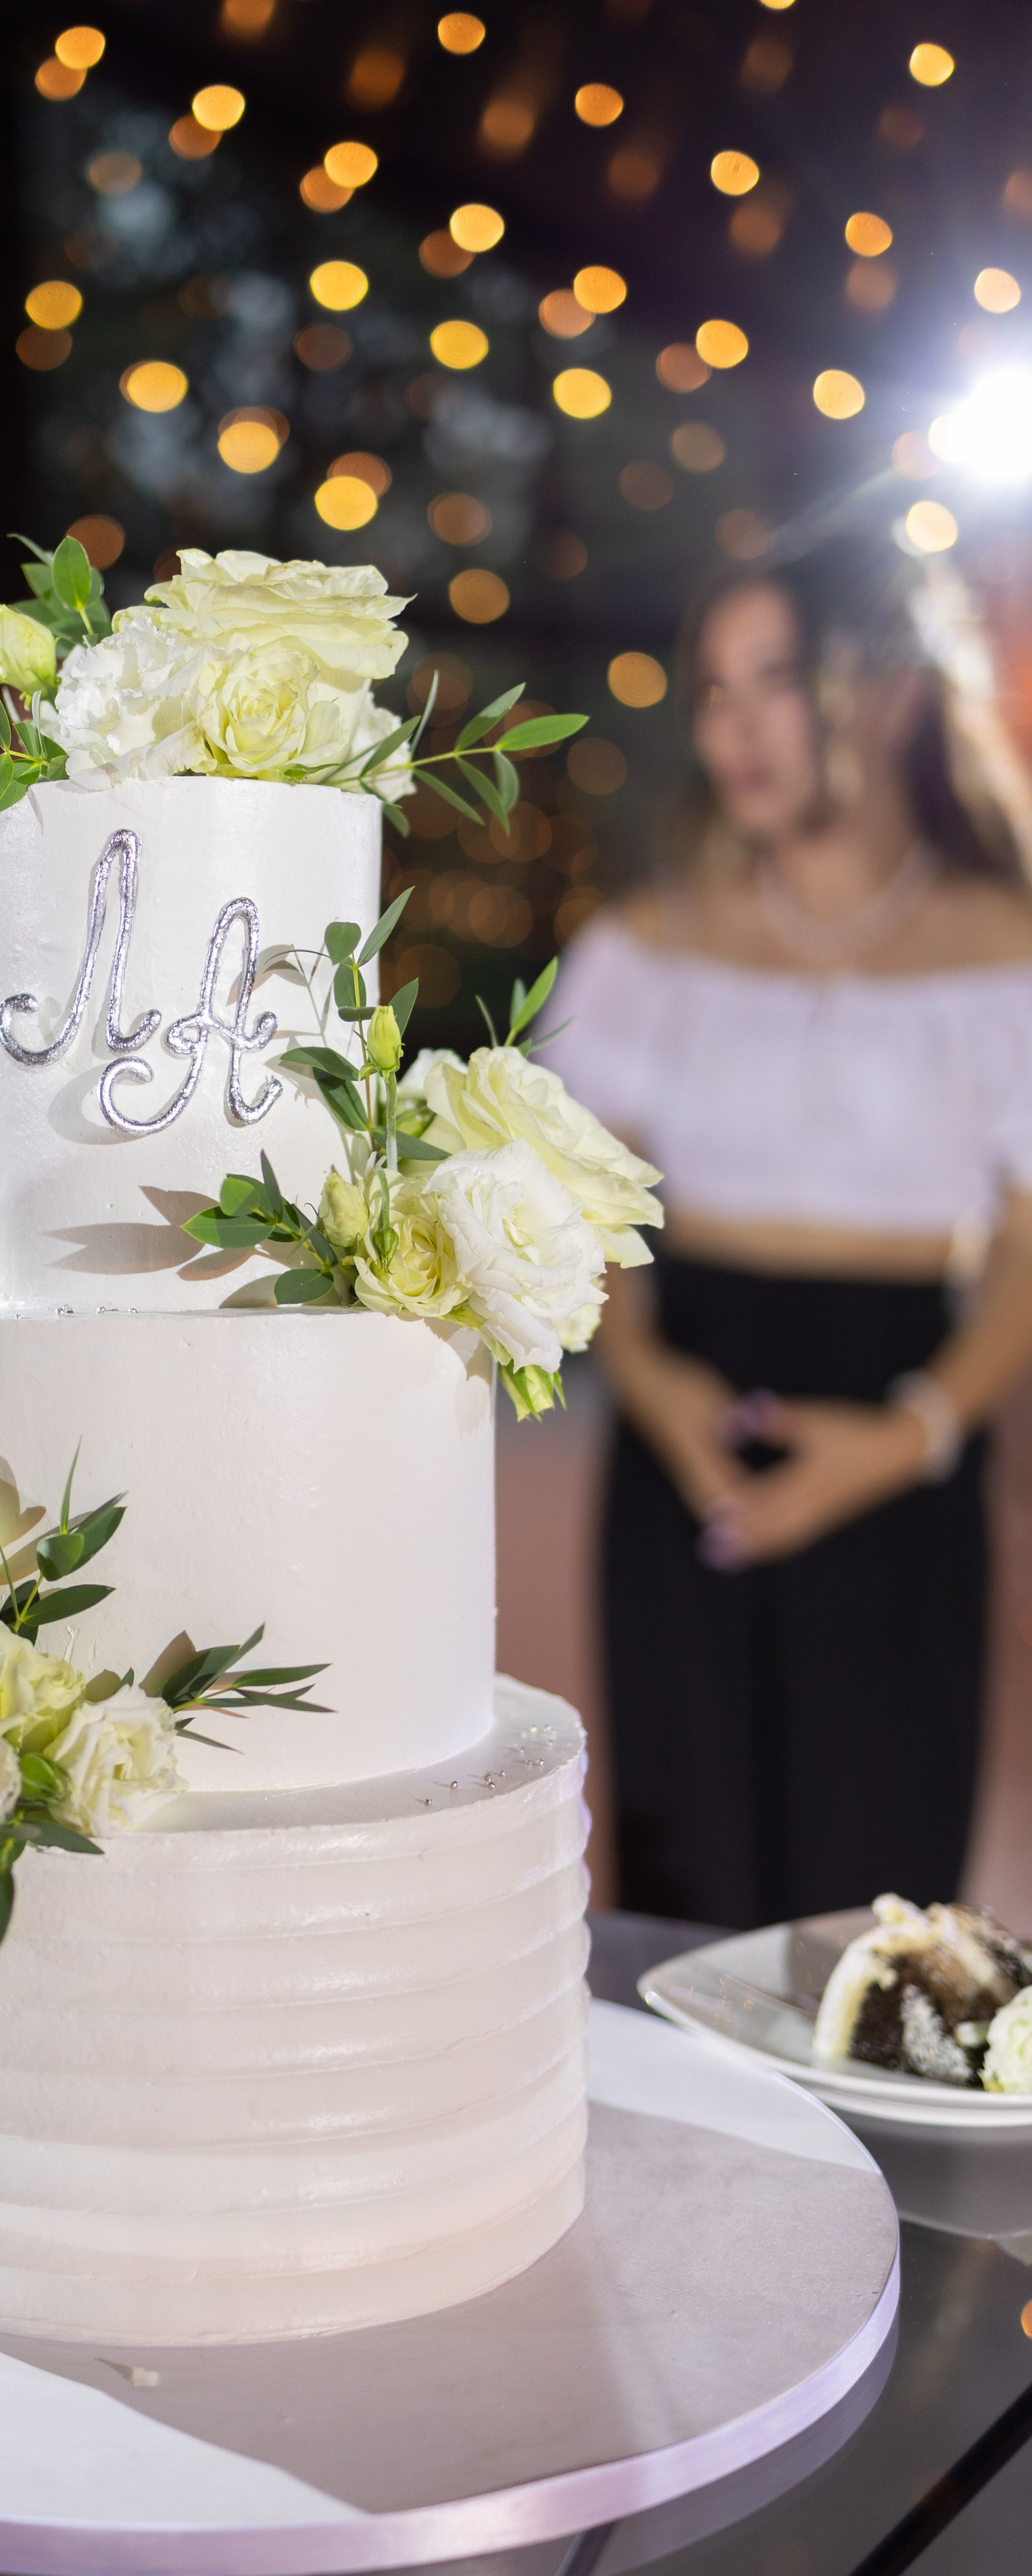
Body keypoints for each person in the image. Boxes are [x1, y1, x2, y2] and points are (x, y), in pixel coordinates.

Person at [549, 537, 1032, 1929]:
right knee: (683, 1900)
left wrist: (912, 1435)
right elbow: (582, 1225)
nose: (731, 728)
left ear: (879, 688)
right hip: (681, 1444)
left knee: (868, 1920)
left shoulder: (1004, 951)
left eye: (771, 680)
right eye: (711, 690)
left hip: (901, 1446)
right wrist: (657, 1392)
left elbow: (1021, 1254)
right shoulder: (645, 946)